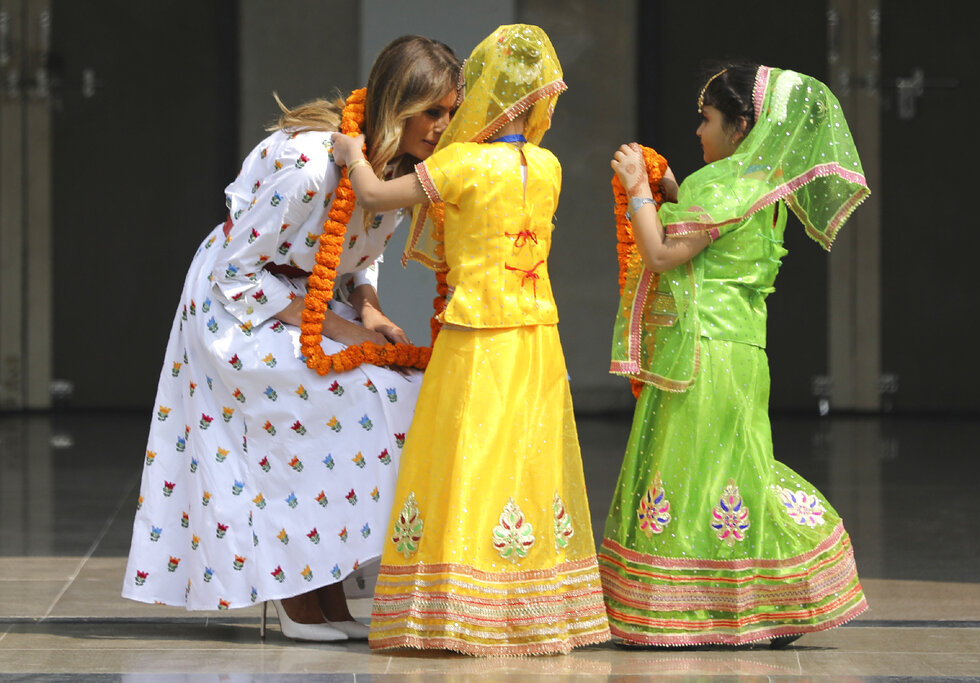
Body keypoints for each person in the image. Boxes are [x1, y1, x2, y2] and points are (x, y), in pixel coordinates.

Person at [121, 35, 461, 642]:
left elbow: (359, 255)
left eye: (449, 113)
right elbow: (237, 270)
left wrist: (370, 309)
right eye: (430, 112)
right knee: (344, 403)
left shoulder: (398, 170)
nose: (440, 127)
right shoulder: (313, 166)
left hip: (305, 305)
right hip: (237, 309)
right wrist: (344, 328)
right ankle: (296, 586)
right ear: (395, 104)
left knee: (403, 394)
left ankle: (325, 574)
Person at [331, 24, 612, 656]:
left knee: (466, 457)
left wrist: (350, 152)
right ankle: (528, 610)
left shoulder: (456, 164)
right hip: (537, 336)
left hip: (475, 335)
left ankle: (459, 609)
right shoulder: (549, 166)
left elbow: (374, 195)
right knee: (526, 460)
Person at [599, 62, 870, 648]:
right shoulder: (768, 187)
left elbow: (664, 255)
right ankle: (751, 601)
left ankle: (692, 608)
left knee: (693, 472)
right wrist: (671, 190)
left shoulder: (723, 186)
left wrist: (639, 189)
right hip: (741, 354)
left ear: (742, 125)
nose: (699, 131)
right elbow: (706, 243)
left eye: (708, 119)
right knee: (732, 471)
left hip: (703, 356)